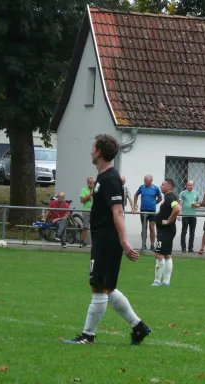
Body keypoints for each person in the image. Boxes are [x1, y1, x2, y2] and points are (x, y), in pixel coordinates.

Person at [63, 134, 150, 345]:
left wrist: (124, 241)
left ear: (99, 151)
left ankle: (88, 335)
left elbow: (118, 212)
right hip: (103, 237)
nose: (91, 150)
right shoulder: (103, 178)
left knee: (99, 286)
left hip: (107, 239)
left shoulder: (110, 179)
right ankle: (139, 327)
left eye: (93, 146)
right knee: (107, 286)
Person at [152, 179, 182, 286]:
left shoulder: (170, 197)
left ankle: (157, 281)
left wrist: (169, 220)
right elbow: (176, 208)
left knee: (158, 254)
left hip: (165, 230)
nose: (160, 186)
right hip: (167, 230)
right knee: (166, 255)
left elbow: (177, 208)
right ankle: (166, 282)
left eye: (163, 185)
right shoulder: (170, 197)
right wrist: (173, 216)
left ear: (169, 187)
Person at [133, 175, 162, 251]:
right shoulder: (141, 187)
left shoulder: (155, 188)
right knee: (144, 228)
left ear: (151, 181)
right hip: (143, 210)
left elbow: (160, 198)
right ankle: (143, 244)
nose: (144, 181)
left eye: (146, 180)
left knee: (152, 228)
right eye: (144, 180)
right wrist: (135, 204)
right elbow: (136, 195)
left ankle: (152, 245)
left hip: (152, 211)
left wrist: (154, 203)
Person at [179, 180, 200, 253]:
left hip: (193, 216)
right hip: (185, 215)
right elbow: (180, 204)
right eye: (188, 185)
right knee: (184, 232)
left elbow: (199, 204)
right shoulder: (183, 193)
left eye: (190, 185)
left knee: (192, 232)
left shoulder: (196, 194)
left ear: (193, 186)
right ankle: (183, 248)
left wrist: (196, 205)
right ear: (186, 185)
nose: (189, 186)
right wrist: (179, 214)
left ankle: (190, 248)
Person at [79, 177, 94, 247]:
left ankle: (95, 243)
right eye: (88, 182)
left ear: (93, 182)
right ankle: (84, 242)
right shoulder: (84, 190)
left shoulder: (97, 189)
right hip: (86, 210)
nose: (89, 184)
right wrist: (90, 195)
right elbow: (82, 200)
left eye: (90, 182)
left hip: (95, 210)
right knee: (85, 227)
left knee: (95, 227)